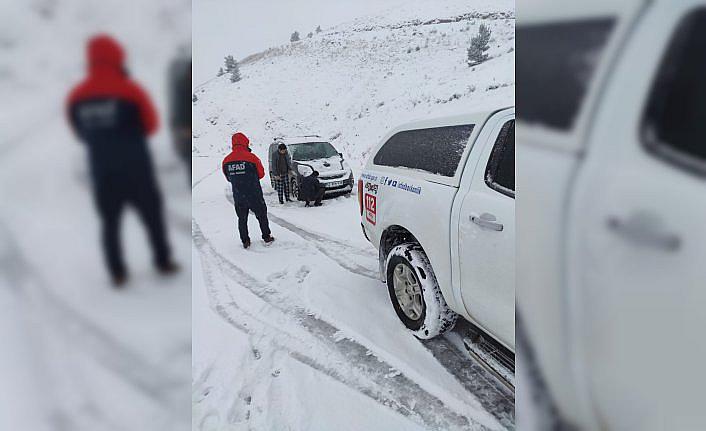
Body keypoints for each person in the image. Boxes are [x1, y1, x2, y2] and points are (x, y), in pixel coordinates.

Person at [67, 34, 178, 287]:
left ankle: (117, 272)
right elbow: (151, 124)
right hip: (136, 169)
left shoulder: (77, 94)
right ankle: (162, 261)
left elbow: (78, 131)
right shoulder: (131, 90)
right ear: (117, 56)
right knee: (152, 217)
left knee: (110, 223)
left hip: (103, 172)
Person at [223, 132, 275, 248]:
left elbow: (228, 178)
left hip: (238, 196)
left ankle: (245, 240)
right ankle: (266, 236)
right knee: (261, 215)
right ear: (245, 142)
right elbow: (261, 174)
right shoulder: (252, 158)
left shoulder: (226, 160)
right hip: (254, 194)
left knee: (242, 218)